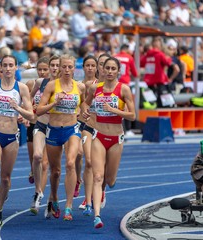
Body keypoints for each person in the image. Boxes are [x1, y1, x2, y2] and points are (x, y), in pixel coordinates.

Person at [0, 55, 34, 227]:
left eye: (11, 65)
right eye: (5, 65)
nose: (8, 68)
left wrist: (18, 108)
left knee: (5, 178)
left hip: (11, 137)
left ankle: (0, 209)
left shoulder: (22, 88)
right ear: (0, 69)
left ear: (16, 67)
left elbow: (31, 115)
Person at [81, 57, 136, 228]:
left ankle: (106, 187)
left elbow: (133, 115)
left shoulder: (124, 89)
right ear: (102, 70)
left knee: (110, 180)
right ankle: (97, 215)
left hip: (115, 138)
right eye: (107, 68)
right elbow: (85, 103)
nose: (110, 71)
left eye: (113, 68)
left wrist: (115, 110)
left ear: (118, 71)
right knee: (97, 176)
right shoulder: (95, 88)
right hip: (98, 135)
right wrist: (84, 112)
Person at [36, 54, 86, 221]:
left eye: (69, 67)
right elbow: (39, 110)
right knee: (55, 171)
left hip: (72, 129)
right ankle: (55, 197)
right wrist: (54, 103)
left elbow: (84, 103)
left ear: (74, 68)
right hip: (54, 130)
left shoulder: (79, 87)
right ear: (59, 68)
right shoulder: (51, 86)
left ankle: (69, 206)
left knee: (71, 163)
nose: (66, 70)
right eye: (63, 66)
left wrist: (83, 112)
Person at [29, 55, 60, 215]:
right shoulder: (41, 83)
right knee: (37, 157)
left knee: (52, 167)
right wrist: (28, 112)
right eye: (52, 65)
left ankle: (51, 199)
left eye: (57, 65)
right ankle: (38, 191)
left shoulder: (66, 86)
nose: (54, 68)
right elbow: (28, 98)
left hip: (56, 128)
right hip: (40, 124)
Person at [78, 54, 109, 214]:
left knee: (105, 169)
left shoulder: (118, 88)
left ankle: (101, 190)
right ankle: (88, 198)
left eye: (106, 65)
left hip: (107, 130)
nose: (103, 68)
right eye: (101, 64)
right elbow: (83, 104)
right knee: (89, 161)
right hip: (89, 127)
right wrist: (84, 111)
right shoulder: (91, 86)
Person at [25, 56, 50, 187]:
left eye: (45, 69)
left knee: (43, 160)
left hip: (47, 122)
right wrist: (30, 109)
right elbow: (27, 99)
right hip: (33, 121)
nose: (42, 72)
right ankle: (33, 170)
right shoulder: (32, 83)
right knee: (33, 156)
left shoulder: (53, 85)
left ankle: (39, 190)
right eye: (40, 69)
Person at [140, 37, 179, 108]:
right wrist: (170, 79)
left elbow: (140, 64)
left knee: (151, 106)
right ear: (160, 46)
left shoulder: (146, 56)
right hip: (160, 84)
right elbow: (176, 69)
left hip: (149, 85)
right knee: (166, 106)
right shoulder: (160, 55)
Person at [114, 44, 138, 136]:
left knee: (117, 106)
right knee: (127, 106)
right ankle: (127, 130)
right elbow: (135, 73)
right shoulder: (129, 58)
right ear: (127, 49)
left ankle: (120, 128)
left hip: (116, 84)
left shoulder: (115, 57)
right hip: (125, 83)